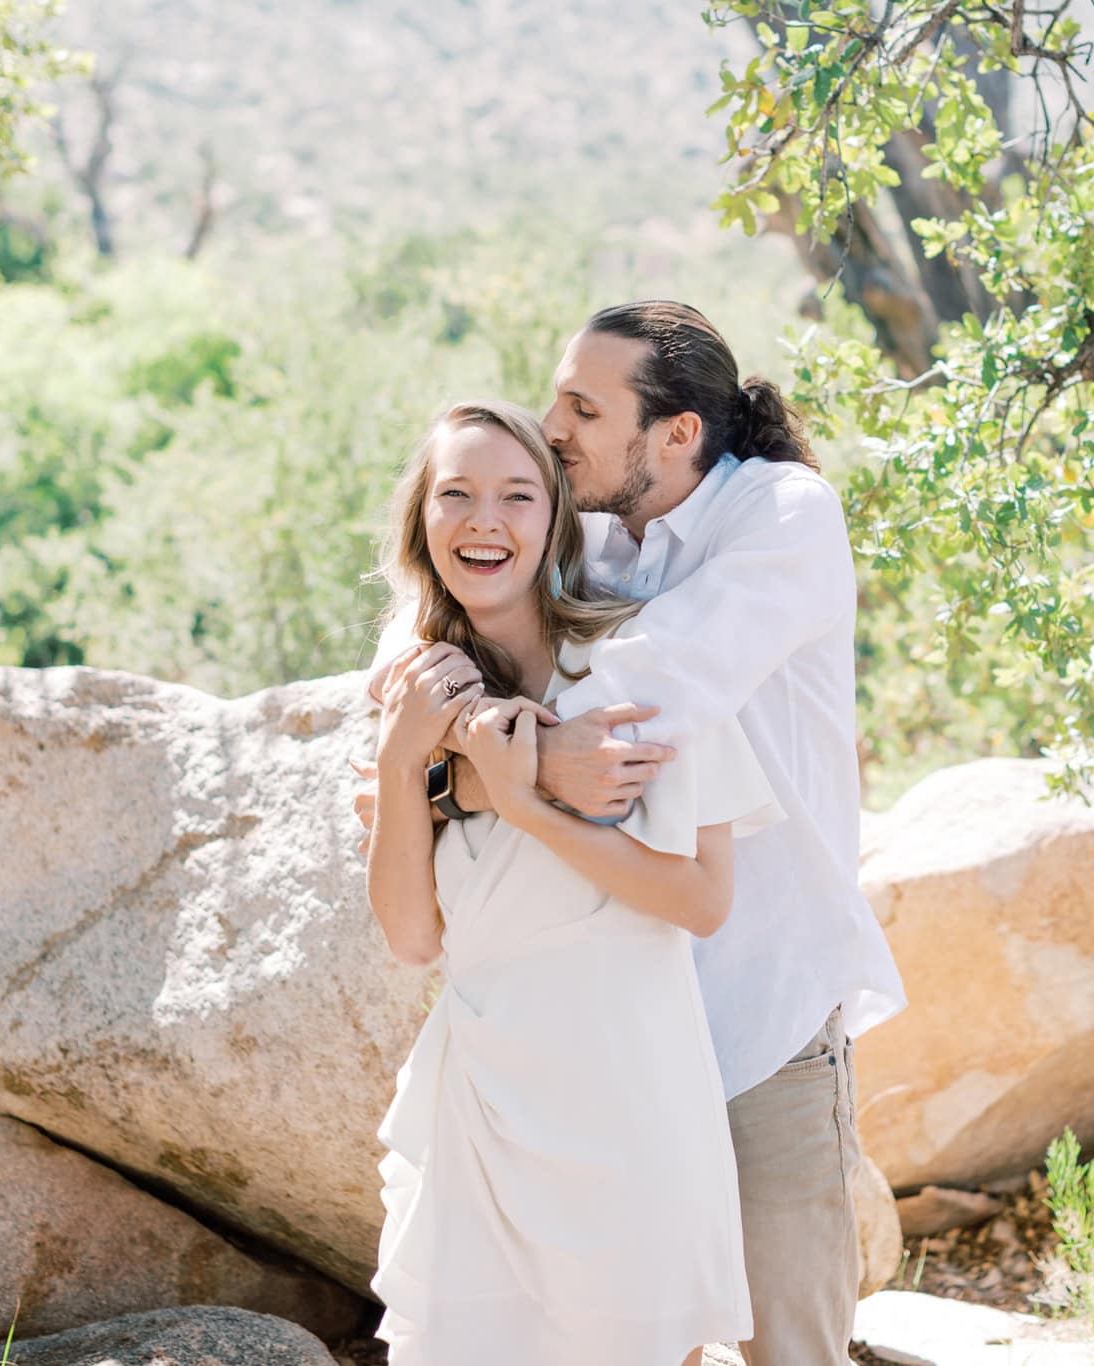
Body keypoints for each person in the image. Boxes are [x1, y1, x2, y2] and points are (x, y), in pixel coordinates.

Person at [356, 301, 907, 1363]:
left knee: (786, 1340)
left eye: (581, 406)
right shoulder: (599, 527)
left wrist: (467, 770)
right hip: (609, 1031)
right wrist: (441, 732)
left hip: (759, 999)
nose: (552, 427)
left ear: (675, 435)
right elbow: (435, 607)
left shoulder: (783, 515)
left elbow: (650, 695)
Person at [365, 398, 781, 1364]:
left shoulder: (643, 665)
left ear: (555, 518)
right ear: (421, 523)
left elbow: (703, 899)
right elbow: (413, 938)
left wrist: (527, 806)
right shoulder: (416, 694)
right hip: (483, 1105)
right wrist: (399, 763)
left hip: (631, 1102)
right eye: (456, 495)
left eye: (517, 495)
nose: (485, 521)